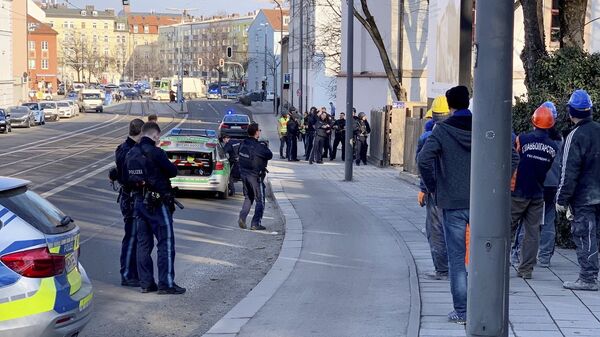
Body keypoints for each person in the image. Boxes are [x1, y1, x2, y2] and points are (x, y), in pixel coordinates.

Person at [418, 85, 472, 324]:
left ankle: (462, 310)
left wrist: (432, 186)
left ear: (450, 106)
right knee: (486, 255)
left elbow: (424, 159)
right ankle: (487, 306)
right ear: (468, 103)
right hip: (483, 204)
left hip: (452, 202)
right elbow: (512, 157)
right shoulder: (485, 127)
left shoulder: (442, 131)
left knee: (457, 259)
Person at [125, 122, 185, 295]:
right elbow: (172, 171)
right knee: (165, 243)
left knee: (143, 244)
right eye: (158, 137)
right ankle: (166, 284)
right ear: (155, 136)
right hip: (157, 204)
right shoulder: (156, 152)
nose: (159, 140)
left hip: (138, 202)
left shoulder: (131, 153)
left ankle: (146, 283)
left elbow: (125, 177)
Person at [557, 89, 600, 291]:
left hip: (583, 197)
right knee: (595, 235)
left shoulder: (574, 136)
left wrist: (561, 199)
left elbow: (568, 170)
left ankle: (588, 278)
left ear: (571, 111)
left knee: (585, 235)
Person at [511, 101, 563, 268]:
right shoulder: (556, 144)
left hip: (522, 188)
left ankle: (512, 257)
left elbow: (515, 160)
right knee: (541, 225)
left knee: (514, 226)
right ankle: (537, 262)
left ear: (533, 121)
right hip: (546, 188)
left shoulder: (522, 139)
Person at [417, 96, 451, 281]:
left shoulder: (428, 137)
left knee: (435, 229)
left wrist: (426, 187)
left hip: (437, 191)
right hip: (460, 191)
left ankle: (442, 270)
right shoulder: (466, 132)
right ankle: (459, 268)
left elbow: (423, 163)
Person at [112, 118, 145, 287]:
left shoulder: (123, 148)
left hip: (129, 197)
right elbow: (128, 176)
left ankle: (133, 273)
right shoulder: (130, 150)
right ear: (141, 132)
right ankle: (127, 274)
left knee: (136, 237)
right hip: (131, 198)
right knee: (132, 237)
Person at [238, 124, 273, 230]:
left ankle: (242, 218)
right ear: (256, 132)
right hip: (255, 177)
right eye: (259, 130)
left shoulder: (243, 143)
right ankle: (255, 223)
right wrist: (264, 145)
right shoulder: (258, 147)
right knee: (260, 200)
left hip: (244, 175)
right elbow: (269, 155)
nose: (260, 132)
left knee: (248, 197)